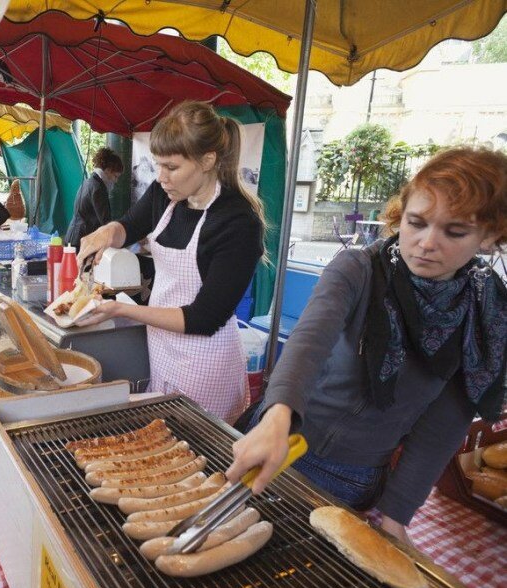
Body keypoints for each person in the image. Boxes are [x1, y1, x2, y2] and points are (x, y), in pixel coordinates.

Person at [226, 147, 507, 544]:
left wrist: (396, 516)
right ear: (401, 214)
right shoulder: (359, 269)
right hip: (276, 441)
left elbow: (445, 423)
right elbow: (309, 343)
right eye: (417, 222)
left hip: (353, 476)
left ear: (490, 235)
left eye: (454, 231)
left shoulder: (486, 315)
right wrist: (278, 416)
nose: (427, 242)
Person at [77, 101, 265, 424]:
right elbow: (129, 226)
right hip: (162, 351)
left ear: (208, 161)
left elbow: (203, 319)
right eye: (158, 165)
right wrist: (106, 232)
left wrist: (121, 308)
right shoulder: (167, 194)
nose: (161, 177)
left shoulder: (237, 222)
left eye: (172, 167)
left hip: (206, 366)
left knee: (193, 461)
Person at [65, 147, 124, 248]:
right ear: (109, 170)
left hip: (73, 236)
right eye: (115, 176)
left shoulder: (89, 182)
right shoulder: (98, 188)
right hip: (81, 240)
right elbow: (105, 221)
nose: (116, 181)